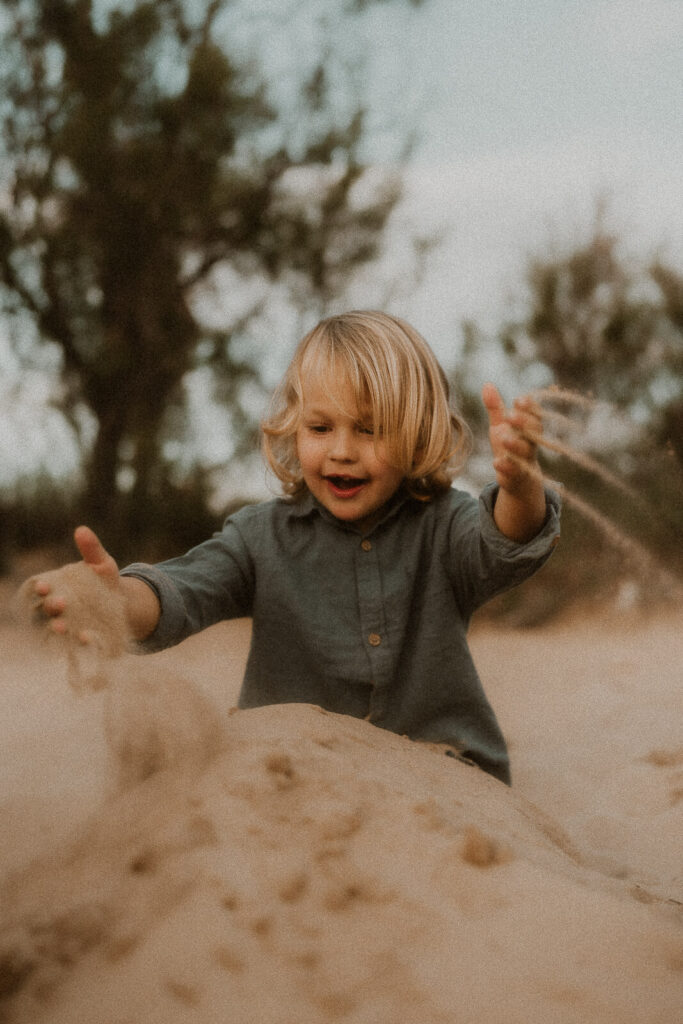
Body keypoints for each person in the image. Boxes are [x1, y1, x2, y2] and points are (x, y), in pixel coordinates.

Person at [30, 311, 560, 785]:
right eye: (320, 427)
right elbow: (185, 592)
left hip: (450, 771)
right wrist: (116, 601)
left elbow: (506, 542)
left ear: (416, 434)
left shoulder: (446, 526)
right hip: (294, 775)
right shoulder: (261, 536)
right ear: (293, 429)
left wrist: (520, 487)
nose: (342, 451)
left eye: (370, 430)